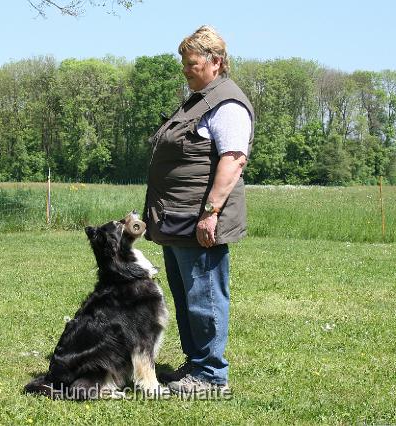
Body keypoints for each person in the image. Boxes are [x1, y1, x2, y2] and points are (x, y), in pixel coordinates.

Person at [143, 25, 254, 395]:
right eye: (184, 63)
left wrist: (211, 212)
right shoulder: (199, 99)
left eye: (192, 63)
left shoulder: (228, 104)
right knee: (188, 295)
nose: (185, 70)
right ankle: (196, 365)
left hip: (199, 219)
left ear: (216, 62)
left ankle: (210, 375)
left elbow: (233, 160)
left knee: (205, 296)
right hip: (177, 219)